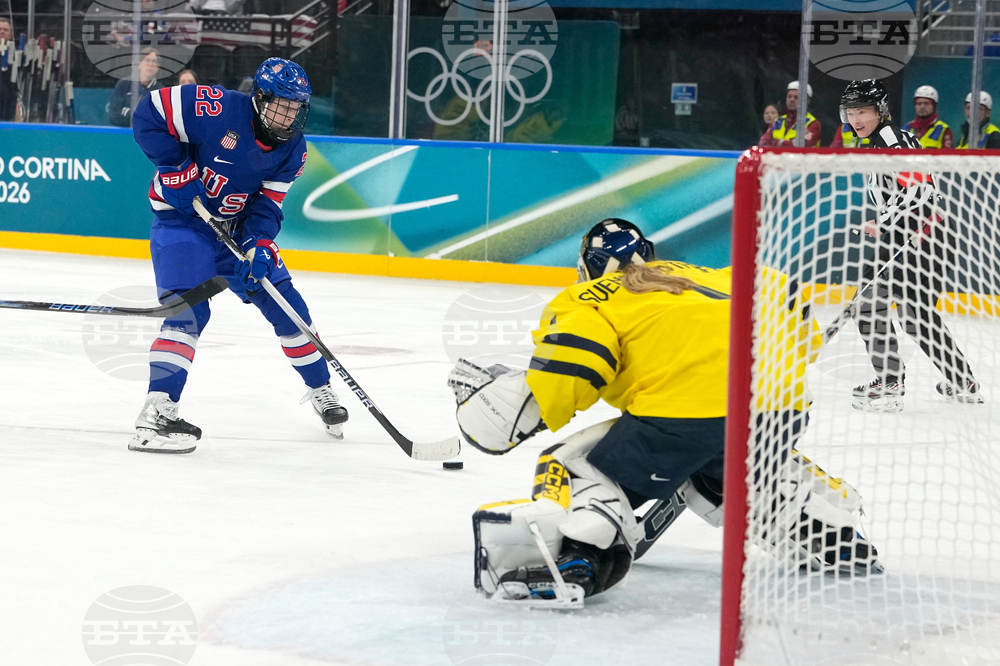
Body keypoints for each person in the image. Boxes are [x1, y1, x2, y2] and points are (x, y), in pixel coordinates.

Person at [449, 219, 881, 603]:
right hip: (779, 409)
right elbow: (791, 312)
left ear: (588, 265)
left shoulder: (586, 296)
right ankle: (835, 537)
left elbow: (576, 366)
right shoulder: (713, 274)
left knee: (574, 464)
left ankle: (580, 558)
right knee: (731, 464)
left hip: (684, 418)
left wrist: (495, 408)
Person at [128, 57, 348, 453]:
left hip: (232, 232)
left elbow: (267, 205)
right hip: (182, 223)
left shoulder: (293, 150)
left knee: (290, 309)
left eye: (296, 108)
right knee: (189, 312)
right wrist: (174, 167)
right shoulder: (214, 107)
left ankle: (321, 389)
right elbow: (148, 112)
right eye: (281, 105)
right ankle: (156, 414)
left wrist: (260, 243)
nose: (288, 117)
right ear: (259, 98)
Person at [839, 79, 983, 411]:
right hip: (923, 234)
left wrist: (887, 222)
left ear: (880, 112)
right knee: (916, 316)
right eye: (851, 112)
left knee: (869, 305)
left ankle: (890, 383)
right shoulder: (879, 141)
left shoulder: (889, 140)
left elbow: (921, 187)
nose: (856, 119)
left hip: (918, 235)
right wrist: (886, 222)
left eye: (864, 111)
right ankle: (962, 380)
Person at [107, 47, 164, 127]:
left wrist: (127, 112)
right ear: (139, 64)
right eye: (147, 60)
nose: (151, 65)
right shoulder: (124, 84)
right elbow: (113, 115)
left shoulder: (161, 91)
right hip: (123, 135)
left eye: (154, 61)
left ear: (158, 67)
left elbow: (156, 121)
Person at [759, 81, 821, 147]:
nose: (791, 99)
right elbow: (763, 143)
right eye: (789, 96)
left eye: (796, 97)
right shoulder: (777, 121)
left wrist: (777, 143)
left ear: (806, 101)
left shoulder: (813, 124)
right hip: (777, 157)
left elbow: (800, 146)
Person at [0, 17, 19, 121]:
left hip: (8, 104)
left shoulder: (16, 56)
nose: (2, 32)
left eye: (5, 30)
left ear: (11, 34)